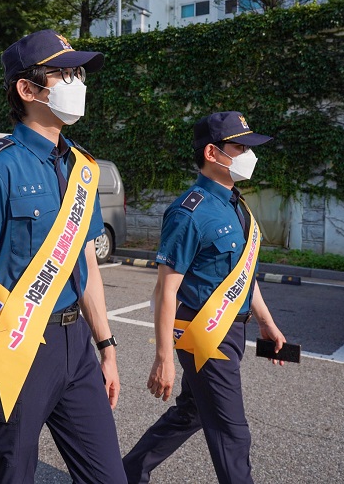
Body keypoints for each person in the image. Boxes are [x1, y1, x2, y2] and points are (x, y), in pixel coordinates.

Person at [0, 29, 126, 483]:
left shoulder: (83, 167)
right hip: (15, 346)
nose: (77, 82)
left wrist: (106, 347)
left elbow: (87, 266)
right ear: (27, 88)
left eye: (78, 72)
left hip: (75, 344)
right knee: (13, 475)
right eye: (64, 73)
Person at [122, 111, 287, 484]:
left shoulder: (235, 204)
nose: (249, 155)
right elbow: (167, 290)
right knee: (232, 433)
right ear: (212, 153)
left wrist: (266, 321)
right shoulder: (188, 212)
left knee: (194, 411)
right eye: (240, 147)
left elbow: (243, 274)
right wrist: (163, 357)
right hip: (205, 335)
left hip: (233, 329)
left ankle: (127, 473)